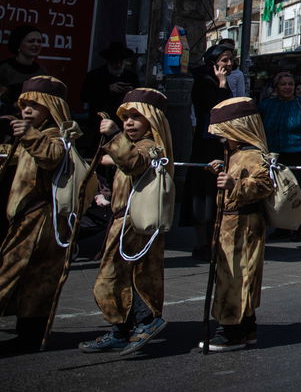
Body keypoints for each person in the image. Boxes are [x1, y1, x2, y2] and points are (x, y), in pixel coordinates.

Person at [81, 88, 173, 355]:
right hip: (120, 221)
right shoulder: (132, 145)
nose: (129, 122)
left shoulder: (150, 146)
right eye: (126, 117)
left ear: (151, 121)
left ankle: (147, 320)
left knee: (115, 278)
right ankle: (120, 331)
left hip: (135, 224)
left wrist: (114, 136)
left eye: (136, 116)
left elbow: (134, 163)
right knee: (119, 278)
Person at [0, 77, 81, 353]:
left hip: (41, 218)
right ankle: (28, 334)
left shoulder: (56, 135)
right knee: (34, 277)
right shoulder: (30, 135)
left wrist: (29, 134)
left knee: (15, 272)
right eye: (24, 105)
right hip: (22, 217)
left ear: (51, 106)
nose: (27, 110)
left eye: (35, 105)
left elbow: (52, 156)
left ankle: (30, 334)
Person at [200, 96, 276, 352]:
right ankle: (246, 326)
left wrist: (235, 185)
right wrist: (223, 168)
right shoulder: (235, 154)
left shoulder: (254, 154)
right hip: (230, 225)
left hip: (244, 225)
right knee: (236, 275)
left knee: (236, 277)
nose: (223, 139)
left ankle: (230, 330)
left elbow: (265, 185)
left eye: (225, 133)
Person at [258, 71, 301, 241]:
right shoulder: (267, 105)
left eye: (290, 84)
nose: (287, 87)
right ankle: (281, 226)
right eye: (283, 84)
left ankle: (298, 226)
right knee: (277, 192)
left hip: (298, 152)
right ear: (276, 87)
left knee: (295, 191)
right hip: (274, 155)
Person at [190, 43, 237, 260]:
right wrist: (222, 83)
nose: (228, 64)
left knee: (218, 191)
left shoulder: (222, 83)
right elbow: (214, 109)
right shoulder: (204, 82)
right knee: (202, 191)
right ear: (214, 62)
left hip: (221, 143)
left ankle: (216, 238)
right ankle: (201, 241)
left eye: (230, 60)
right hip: (205, 144)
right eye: (224, 60)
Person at [81, 41, 138, 126]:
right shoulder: (95, 75)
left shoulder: (131, 77)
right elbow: (84, 96)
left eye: (120, 61)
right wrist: (107, 89)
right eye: (114, 61)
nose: (118, 65)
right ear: (108, 61)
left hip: (123, 122)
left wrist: (130, 93)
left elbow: (138, 100)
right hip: (99, 122)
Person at [0, 24, 45, 110]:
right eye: (31, 41)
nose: (36, 44)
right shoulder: (4, 69)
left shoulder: (41, 72)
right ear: (18, 43)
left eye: (39, 41)